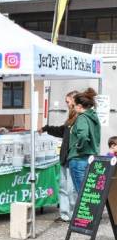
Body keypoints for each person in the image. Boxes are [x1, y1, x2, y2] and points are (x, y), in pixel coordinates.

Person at [40, 90, 79, 223]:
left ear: (75, 101)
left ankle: (75, 215)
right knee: (63, 187)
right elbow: (62, 131)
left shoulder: (80, 117)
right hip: (64, 157)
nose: (67, 104)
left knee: (71, 189)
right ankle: (65, 214)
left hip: (73, 158)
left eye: (68, 102)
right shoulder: (70, 117)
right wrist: (47, 128)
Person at [68, 88, 101, 192]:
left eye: (74, 105)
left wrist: (79, 146)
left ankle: (83, 209)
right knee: (88, 193)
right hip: (91, 158)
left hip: (79, 159)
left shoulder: (82, 118)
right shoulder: (93, 117)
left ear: (79, 106)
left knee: (81, 194)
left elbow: (83, 135)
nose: (73, 108)